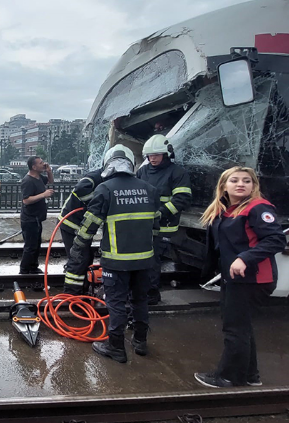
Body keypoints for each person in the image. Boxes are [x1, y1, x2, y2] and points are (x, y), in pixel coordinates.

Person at [194, 167, 285, 388]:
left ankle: (229, 377)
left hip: (252, 279)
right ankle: (250, 375)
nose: (240, 184)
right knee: (241, 327)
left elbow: (276, 240)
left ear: (254, 186)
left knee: (234, 328)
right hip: (234, 278)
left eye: (246, 181)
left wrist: (245, 258)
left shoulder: (258, 208)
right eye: (234, 180)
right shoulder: (226, 209)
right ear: (224, 186)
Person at [68, 145, 158, 363]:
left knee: (116, 303)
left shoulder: (105, 189)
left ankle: (116, 346)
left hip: (116, 261)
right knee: (140, 301)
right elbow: (155, 225)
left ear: (108, 164)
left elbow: (90, 225)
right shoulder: (149, 189)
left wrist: (77, 247)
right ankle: (140, 342)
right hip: (146, 259)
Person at [137, 134, 192, 304]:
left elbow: (182, 199)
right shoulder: (142, 171)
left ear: (166, 154)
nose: (152, 158)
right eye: (150, 155)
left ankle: (152, 294)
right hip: (144, 225)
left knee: (153, 261)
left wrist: (159, 214)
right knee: (142, 260)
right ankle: (141, 292)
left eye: (156, 155)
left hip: (163, 226)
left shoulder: (177, 173)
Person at [57, 166, 105, 294]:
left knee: (86, 257)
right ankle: (73, 293)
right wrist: (95, 202)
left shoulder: (105, 177)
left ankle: (83, 288)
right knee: (79, 257)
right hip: (71, 223)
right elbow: (80, 189)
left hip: (83, 226)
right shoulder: (95, 177)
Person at [20, 156, 54, 275]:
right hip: (29, 218)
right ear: (34, 167)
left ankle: (33, 267)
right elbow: (26, 200)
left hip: (37, 218)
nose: (43, 164)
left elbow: (50, 181)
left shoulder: (39, 177)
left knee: (37, 244)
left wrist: (49, 171)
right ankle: (24, 270)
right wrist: (43, 195)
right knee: (30, 246)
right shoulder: (28, 180)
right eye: (40, 163)